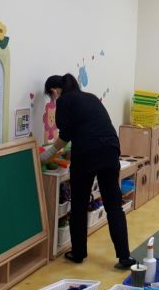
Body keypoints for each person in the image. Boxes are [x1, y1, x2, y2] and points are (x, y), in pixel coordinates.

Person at [40, 74, 135, 269]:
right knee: (114, 205)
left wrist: (44, 156)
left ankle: (78, 253)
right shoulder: (90, 97)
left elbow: (65, 136)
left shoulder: (64, 101)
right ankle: (125, 257)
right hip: (110, 149)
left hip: (87, 154)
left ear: (54, 91)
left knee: (79, 204)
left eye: (51, 96)